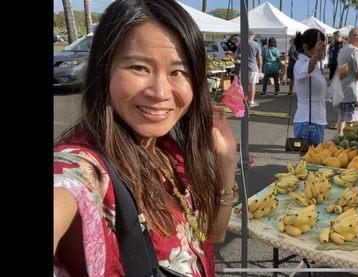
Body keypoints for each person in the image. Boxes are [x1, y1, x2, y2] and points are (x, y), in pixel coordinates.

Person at [53, 0, 238, 276]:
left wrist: (226, 162)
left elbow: (215, 235)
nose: (160, 92)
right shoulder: (84, 166)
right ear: (105, 69)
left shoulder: (167, 149)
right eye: (139, 67)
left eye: (178, 72)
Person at [293, 29, 328, 146]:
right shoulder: (301, 63)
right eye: (318, 46)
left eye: (322, 47)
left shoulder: (312, 64)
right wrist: (317, 55)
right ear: (306, 47)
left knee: (310, 161)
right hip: (308, 122)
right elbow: (303, 73)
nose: (321, 50)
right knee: (310, 161)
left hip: (315, 119)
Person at [335, 28, 358, 136]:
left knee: (341, 120)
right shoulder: (355, 51)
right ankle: (347, 147)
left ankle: (338, 141)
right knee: (353, 124)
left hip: (343, 90)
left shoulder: (343, 50)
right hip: (353, 93)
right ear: (355, 36)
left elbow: (343, 72)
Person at [236, 31, 262, 107]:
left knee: (243, 85)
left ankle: (243, 101)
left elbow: (236, 55)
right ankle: (251, 101)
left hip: (243, 67)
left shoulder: (241, 44)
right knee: (252, 85)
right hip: (253, 67)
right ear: (252, 36)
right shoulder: (256, 44)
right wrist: (260, 68)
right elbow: (259, 58)